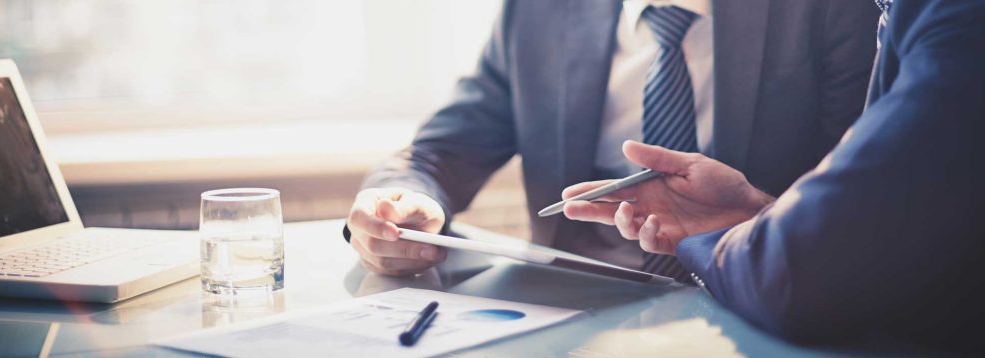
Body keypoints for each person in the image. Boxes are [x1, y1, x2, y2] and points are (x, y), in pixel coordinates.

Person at [561, 0, 985, 350]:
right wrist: (756, 215)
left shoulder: (965, 16)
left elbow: (812, 262)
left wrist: (711, 240)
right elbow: (883, 213)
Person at [344, 0, 878, 278]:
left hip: (745, 294)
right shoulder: (539, 11)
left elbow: (862, 207)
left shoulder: (831, 10)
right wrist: (400, 201)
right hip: (574, 307)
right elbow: (440, 151)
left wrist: (758, 216)